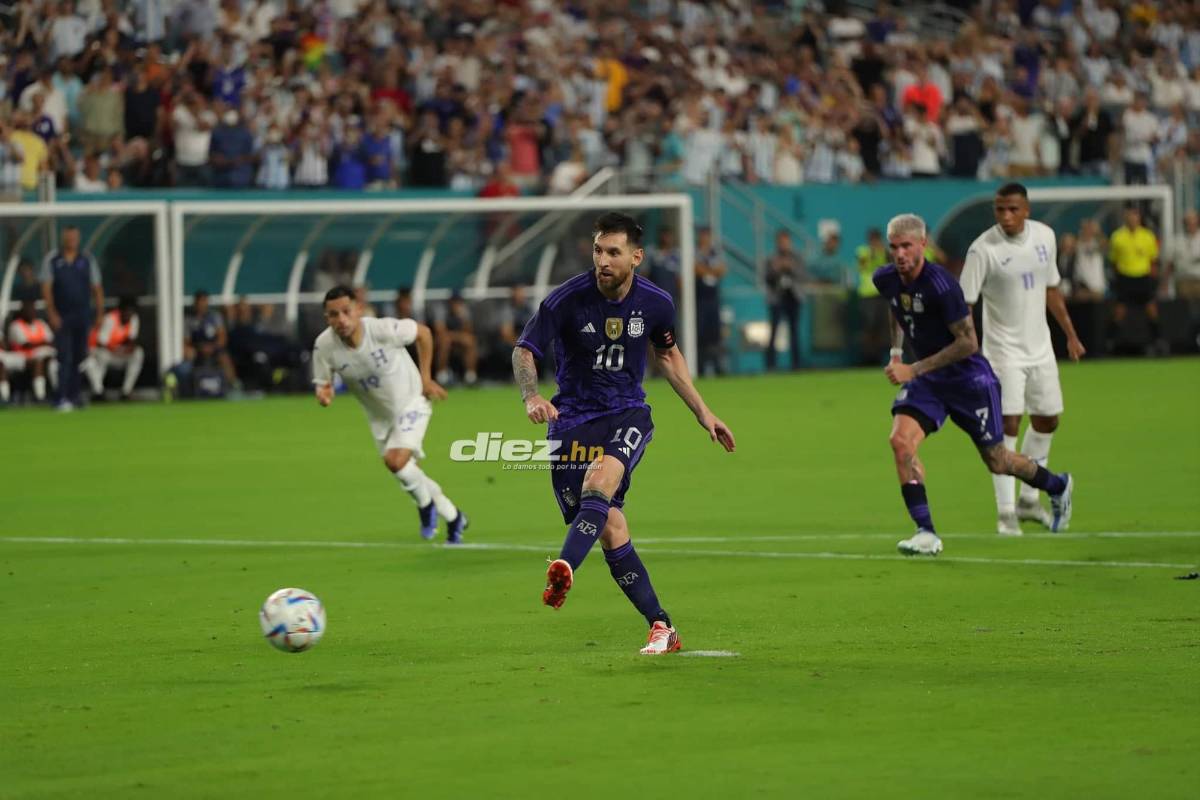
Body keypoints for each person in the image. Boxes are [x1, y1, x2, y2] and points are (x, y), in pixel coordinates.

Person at [512, 212, 736, 655]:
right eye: (598, 250)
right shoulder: (566, 300)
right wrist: (531, 396)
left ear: (636, 256)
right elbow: (525, 349)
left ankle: (564, 566)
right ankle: (662, 626)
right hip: (571, 420)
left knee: (599, 482)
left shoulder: (656, 303)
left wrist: (703, 412)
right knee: (611, 528)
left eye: (613, 252)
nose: (603, 260)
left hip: (626, 413)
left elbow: (668, 356)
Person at [874, 213, 1074, 556]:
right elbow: (896, 305)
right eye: (894, 247)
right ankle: (926, 532)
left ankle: (1057, 485)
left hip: (969, 381)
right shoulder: (887, 278)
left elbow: (968, 343)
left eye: (906, 246)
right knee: (900, 443)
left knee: (998, 461)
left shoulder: (943, 286)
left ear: (923, 244)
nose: (900, 254)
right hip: (929, 381)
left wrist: (914, 368)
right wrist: (896, 353)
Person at [960, 184, 1086, 536]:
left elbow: (1051, 289)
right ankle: (1005, 513)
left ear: (1026, 209)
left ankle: (1029, 500)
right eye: (1000, 209)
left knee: (1047, 420)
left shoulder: (1045, 237)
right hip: (1003, 353)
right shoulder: (982, 249)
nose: (1006, 216)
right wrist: (969, 350)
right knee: (1007, 427)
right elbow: (964, 304)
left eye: (1013, 209)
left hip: (1040, 349)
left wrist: (1070, 334)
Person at [312, 285, 468, 543]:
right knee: (408, 471)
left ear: (359, 309)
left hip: (412, 402)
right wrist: (324, 392)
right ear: (327, 318)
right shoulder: (324, 345)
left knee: (395, 461)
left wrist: (426, 378)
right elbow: (323, 382)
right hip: (380, 419)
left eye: (346, 311)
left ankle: (425, 506)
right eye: (333, 314)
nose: (341, 319)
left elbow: (424, 333)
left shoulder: (382, 329)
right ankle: (454, 517)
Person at [40, 224, 103, 411]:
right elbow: (46, 288)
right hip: (62, 315)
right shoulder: (53, 260)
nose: (71, 241)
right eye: (68, 237)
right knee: (64, 356)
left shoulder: (87, 260)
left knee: (79, 356)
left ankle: (74, 396)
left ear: (78, 239)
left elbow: (97, 288)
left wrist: (100, 313)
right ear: (63, 238)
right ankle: (61, 396)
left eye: (74, 237)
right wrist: (51, 313)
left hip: (82, 314)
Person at [1108, 206, 1163, 352]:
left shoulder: (1148, 236)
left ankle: (1158, 340)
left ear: (1139, 218)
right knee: (1119, 311)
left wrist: (1154, 280)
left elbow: (1153, 260)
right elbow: (1113, 261)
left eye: (1135, 216)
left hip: (1143, 277)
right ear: (1125, 218)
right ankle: (1110, 342)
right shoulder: (1117, 236)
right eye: (1129, 216)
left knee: (1151, 309)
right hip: (1125, 277)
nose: (1132, 219)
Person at [82, 296, 143, 400]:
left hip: (118, 352)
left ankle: (126, 391)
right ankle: (98, 392)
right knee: (101, 356)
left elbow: (131, 339)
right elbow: (101, 343)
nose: (129, 314)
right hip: (100, 351)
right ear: (121, 310)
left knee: (138, 353)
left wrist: (130, 348)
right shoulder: (110, 318)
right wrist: (116, 350)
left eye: (131, 311)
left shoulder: (134, 318)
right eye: (127, 311)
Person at [765, 229, 804, 370]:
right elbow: (767, 278)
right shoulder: (771, 258)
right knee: (774, 331)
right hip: (777, 298)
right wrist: (777, 268)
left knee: (794, 332)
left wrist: (790, 267)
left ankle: (796, 364)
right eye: (781, 241)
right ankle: (771, 365)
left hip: (793, 297)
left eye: (786, 241)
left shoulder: (797, 258)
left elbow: (803, 275)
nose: (783, 244)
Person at [6, 300, 57, 403]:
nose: (31, 312)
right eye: (28, 310)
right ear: (22, 312)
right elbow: (26, 345)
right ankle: (40, 397)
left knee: (55, 363)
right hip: (24, 357)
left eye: (33, 310)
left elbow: (51, 341)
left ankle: (58, 392)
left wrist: (41, 343)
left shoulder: (41, 324)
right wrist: (42, 342)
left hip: (46, 354)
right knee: (38, 362)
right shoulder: (16, 325)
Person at [432, 292, 478, 386]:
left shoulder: (464, 311)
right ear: (450, 302)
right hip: (439, 341)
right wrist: (457, 336)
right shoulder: (441, 309)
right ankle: (441, 376)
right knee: (445, 342)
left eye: (458, 302)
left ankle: (470, 376)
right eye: (454, 302)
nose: (456, 304)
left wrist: (462, 318)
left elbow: (469, 331)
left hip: (456, 340)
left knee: (470, 341)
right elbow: (440, 330)